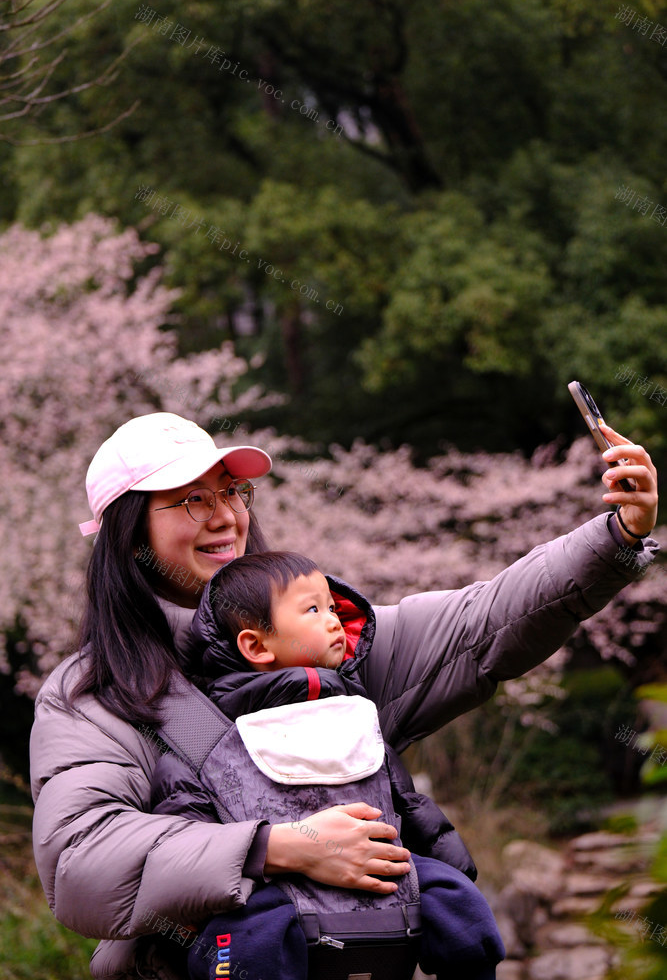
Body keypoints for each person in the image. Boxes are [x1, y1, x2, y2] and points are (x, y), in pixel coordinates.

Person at [29, 411, 659, 980]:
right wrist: (282, 847)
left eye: (230, 491)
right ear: (129, 536)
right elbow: (79, 862)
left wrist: (616, 538)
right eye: (191, 501)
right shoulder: (92, 695)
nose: (225, 516)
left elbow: (484, 621)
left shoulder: (332, 651)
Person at [150, 550, 505, 980]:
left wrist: (454, 869)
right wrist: (190, 899)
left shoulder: (355, 710)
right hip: (275, 889)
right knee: (245, 942)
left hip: (382, 868)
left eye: (334, 607)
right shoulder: (209, 729)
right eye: (313, 609)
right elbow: (186, 818)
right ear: (256, 645)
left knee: (457, 903)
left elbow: (405, 802)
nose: (334, 619)